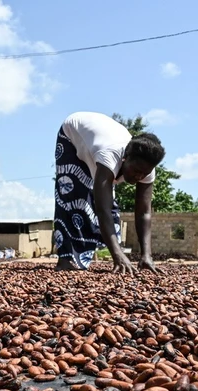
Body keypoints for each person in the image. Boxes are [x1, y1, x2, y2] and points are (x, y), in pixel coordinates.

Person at [52, 111, 166, 274]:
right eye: (136, 171)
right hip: (72, 134)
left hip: (100, 139)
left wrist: (146, 255)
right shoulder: (109, 155)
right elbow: (102, 209)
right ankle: (65, 259)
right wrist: (117, 255)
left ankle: (99, 254)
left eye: (144, 173)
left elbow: (144, 212)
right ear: (125, 158)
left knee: (109, 204)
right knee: (71, 196)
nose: (139, 176)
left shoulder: (147, 169)